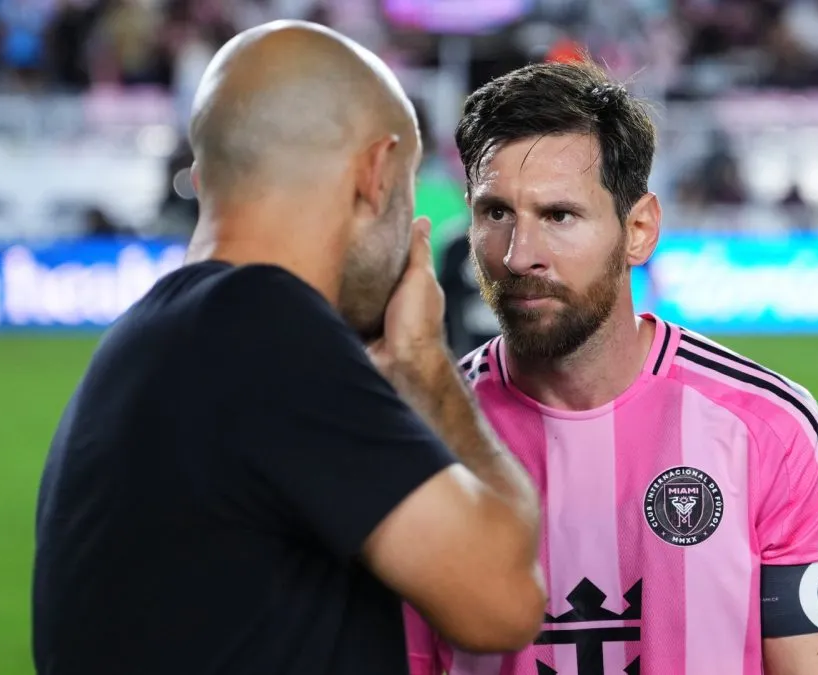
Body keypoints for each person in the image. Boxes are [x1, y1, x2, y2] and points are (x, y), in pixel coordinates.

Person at [31, 21, 547, 675]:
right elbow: (503, 601)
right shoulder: (263, 330)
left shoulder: (147, 342)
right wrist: (424, 366)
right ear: (375, 170)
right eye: (409, 185)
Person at [405, 59, 818, 675]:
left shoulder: (769, 428)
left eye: (559, 215)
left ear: (639, 228)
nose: (519, 255)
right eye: (496, 213)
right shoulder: (419, 433)